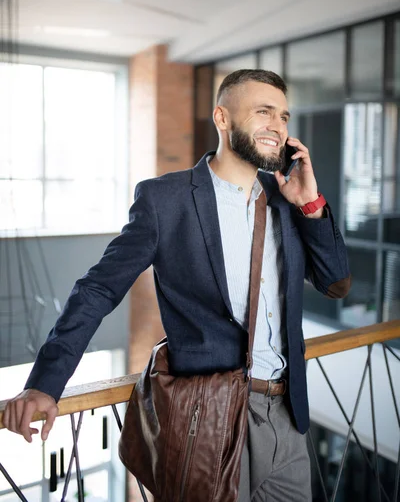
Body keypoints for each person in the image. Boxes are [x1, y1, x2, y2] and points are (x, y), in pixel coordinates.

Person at [3, 69, 350, 501]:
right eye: (264, 112)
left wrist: (312, 206)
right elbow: (99, 289)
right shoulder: (165, 200)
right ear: (222, 118)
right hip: (210, 419)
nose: (278, 127)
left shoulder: (287, 197)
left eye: (283, 116)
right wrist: (45, 383)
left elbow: (336, 284)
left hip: (287, 415)